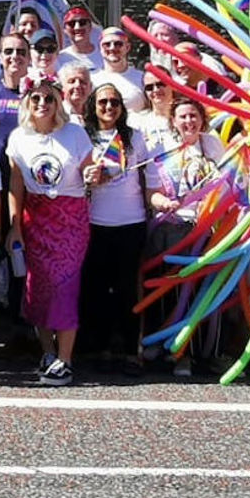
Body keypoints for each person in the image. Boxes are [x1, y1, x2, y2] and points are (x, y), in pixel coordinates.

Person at [6, 77, 93, 385]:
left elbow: (93, 174)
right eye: (36, 99)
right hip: (35, 218)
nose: (42, 104)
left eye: (49, 99)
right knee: (38, 288)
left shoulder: (76, 134)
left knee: (65, 287)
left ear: (59, 102)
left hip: (70, 219)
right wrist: (14, 227)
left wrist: (97, 174)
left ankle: (65, 359)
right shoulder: (18, 138)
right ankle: (47, 351)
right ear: (27, 103)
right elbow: (16, 185)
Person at [147, 95, 228, 376]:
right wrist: (162, 203)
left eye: (193, 115)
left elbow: (230, 180)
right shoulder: (161, 148)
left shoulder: (213, 144)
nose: (188, 121)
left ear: (202, 119)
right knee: (176, 292)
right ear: (173, 121)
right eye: (182, 116)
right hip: (173, 228)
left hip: (209, 229)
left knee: (208, 292)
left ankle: (208, 354)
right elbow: (152, 192)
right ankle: (177, 353)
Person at [78, 79, 151, 371]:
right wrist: (88, 179)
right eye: (103, 102)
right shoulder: (83, 136)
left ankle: (132, 350)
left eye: (115, 102)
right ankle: (101, 347)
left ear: (122, 108)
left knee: (126, 289)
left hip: (131, 222)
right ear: (93, 107)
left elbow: (148, 176)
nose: (109, 107)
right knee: (96, 287)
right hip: (94, 222)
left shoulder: (135, 137)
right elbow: (74, 177)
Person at [94, 27, 147, 112]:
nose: (112, 48)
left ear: (127, 47)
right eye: (107, 44)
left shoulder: (142, 78)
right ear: (100, 49)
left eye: (118, 44)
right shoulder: (92, 80)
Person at [55, 5, 99, 72]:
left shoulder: (104, 54)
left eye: (82, 22)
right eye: (71, 24)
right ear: (64, 29)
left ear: (90, 26)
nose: (77, 27)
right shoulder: (59, 59)